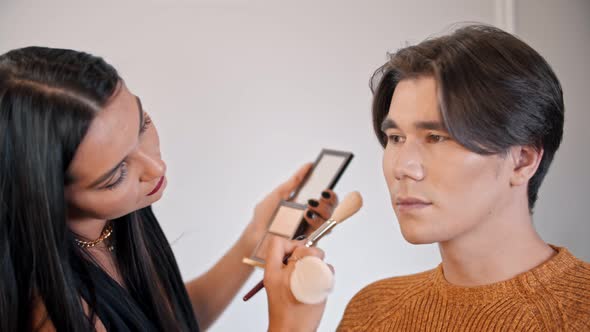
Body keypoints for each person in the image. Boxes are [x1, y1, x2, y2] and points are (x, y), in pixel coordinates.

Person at [0, 46, 335, 331]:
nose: (154, 167)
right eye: (117, 174)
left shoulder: (115, 221)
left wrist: (256, 238)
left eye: (143, 123)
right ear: (46, 197)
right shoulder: (56, 316)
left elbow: (166, 320)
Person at [338, 25, 590, 331]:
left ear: (522, 160)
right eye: (395, 137)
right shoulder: (372, 311)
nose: (402, 167)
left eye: (436, 137)